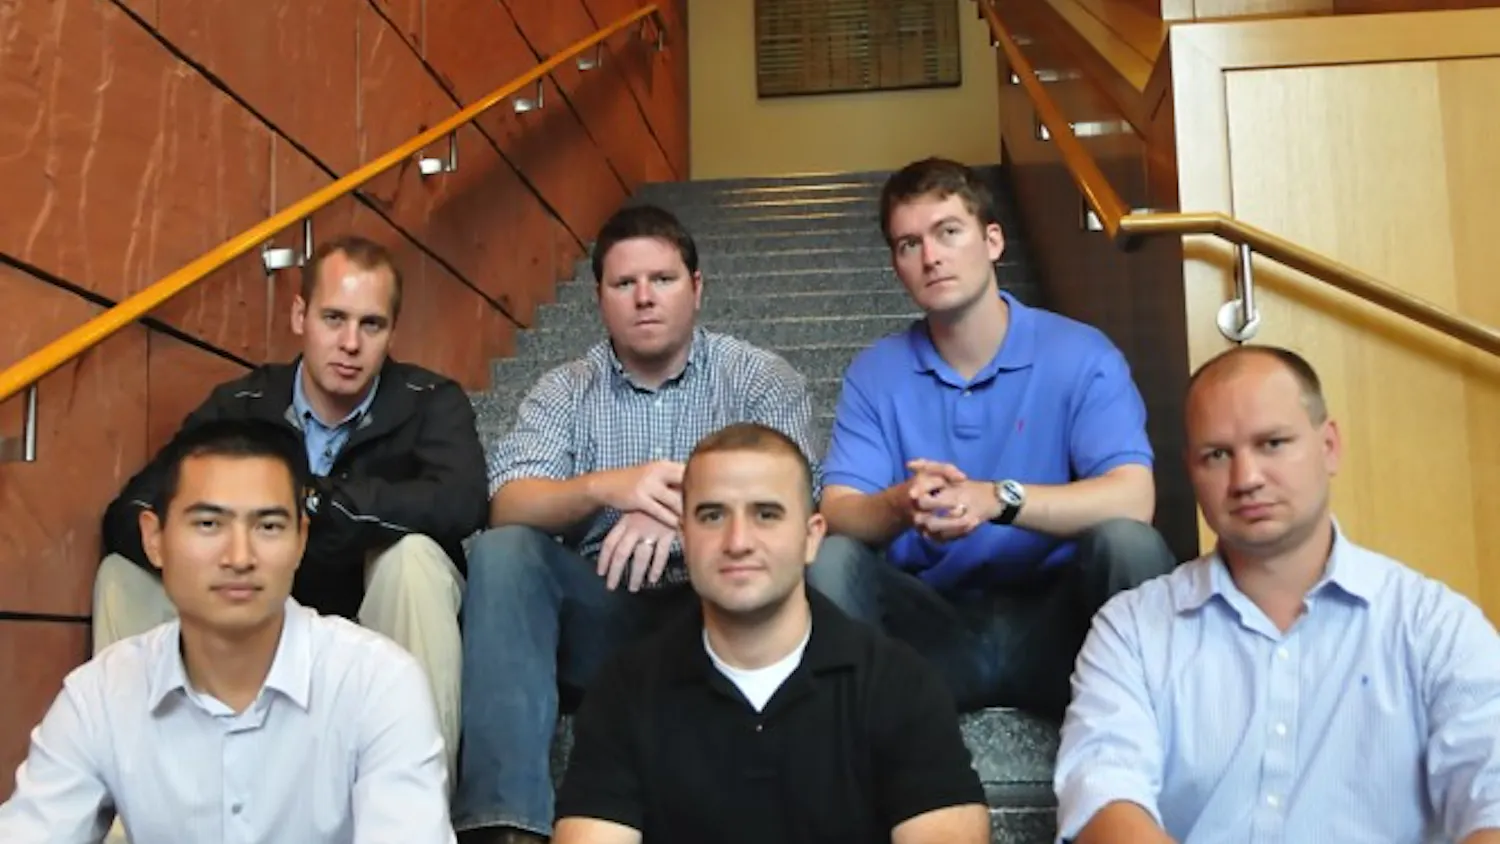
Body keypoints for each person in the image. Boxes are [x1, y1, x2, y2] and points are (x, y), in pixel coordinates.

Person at [454, 205, 824, 844]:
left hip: (722, 615)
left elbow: (795, 503)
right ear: (599, 298)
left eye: (664, 279)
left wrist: (687, 517)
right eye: (625, 284)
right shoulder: (565, 389)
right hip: (602, 613)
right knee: (505, 552)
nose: (645, 298)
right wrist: (608, 487)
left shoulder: (758, 379)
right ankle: (506, 826)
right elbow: (507, 502)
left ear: (698, 287)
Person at [1054, 345, 1500, 843]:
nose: (1246, 479)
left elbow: (1492, 795)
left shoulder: (1435, 626)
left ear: (1329, 446)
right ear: (1191, 470)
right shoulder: (1132, 628)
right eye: (1217, 455)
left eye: (1272, 443)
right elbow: (1103, 792)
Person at [95, 235, 486, 776]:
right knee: (124, 573)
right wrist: (229, 536)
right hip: (249, 617)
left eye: (370, 325)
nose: (350, 343)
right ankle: (142, 807)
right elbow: (132, 511)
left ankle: (409, 809)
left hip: (372, 626)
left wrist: (321, 504)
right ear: (301, 315)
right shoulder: (243, 405)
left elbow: (462, 503)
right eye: (334, 318)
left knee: (414, 559)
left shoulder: (429, 402)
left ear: (391, 331)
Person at [810, 157, 1177, 718]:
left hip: (1064, 631)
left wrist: (997, 499)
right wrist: (899, 504)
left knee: (1129, 544)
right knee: (832, 559)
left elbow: (1134, 496)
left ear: (994, 241)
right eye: (908, 245)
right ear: (896, 265)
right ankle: (849, 771)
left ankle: (1153, 746)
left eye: (948, 232)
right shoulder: (875, 372)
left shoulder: (1081, 354)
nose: (930, 257)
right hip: (932, 632)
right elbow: (837, 511)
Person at [0, 419, 455, 844]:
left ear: (301, 540)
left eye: (269, 526)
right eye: (209, 524)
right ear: (154, 538)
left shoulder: (377, 683)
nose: (239, 556)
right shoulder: (100, 695)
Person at [552, 422, 990, 844]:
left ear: (811, 537)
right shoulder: (626, 691)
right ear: (683, 536)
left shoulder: (900, 684)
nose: (738, 540)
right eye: (711, 515)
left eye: (766, 514)